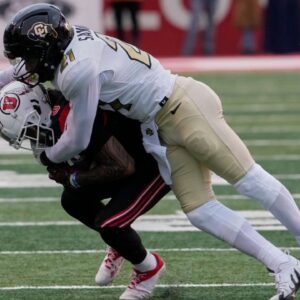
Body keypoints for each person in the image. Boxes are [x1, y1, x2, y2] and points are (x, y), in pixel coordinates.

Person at [2, 3, 300, 299]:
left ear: (47, 46)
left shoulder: (76, 70)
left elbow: (78, 139)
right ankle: (283, 264)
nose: (26, 64)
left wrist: (48, 157)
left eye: (29, 55)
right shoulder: (66, 45)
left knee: (246, 177)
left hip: (182, 106)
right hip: (159, 124)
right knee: (200, 211)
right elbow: (14, 74)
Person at [0, 81, 170, 299]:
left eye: (30, 130)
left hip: (154, 162)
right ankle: (121, 245)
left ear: (37, 107)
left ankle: (148, 268)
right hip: (127, 162)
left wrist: (74, 178)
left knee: (110, 225)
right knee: (72, 200)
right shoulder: (52, 117)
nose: (31, 138)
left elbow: (122, 166)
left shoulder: (71, 114)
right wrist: (68, 177)